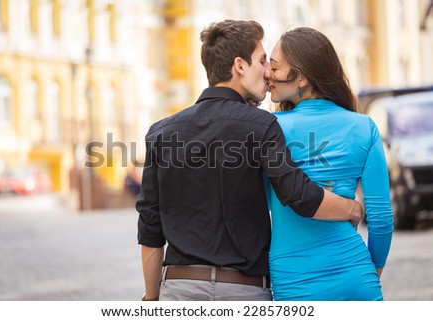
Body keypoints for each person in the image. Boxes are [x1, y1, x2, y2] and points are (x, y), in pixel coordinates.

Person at [137, 20, 363, 302]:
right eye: (262, 60)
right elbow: (299, 195)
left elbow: (150, 226)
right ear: (240, 66)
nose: (268, 71)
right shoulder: (262, 125)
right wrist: (352, 209)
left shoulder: (161, 132)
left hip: (179, 290)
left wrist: (151, 297)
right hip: (243, 291)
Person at [266, 27, 394, 300]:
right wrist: (371, 271)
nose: (267, 74)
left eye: (274, 68)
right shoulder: (364, 127)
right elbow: (381, 219)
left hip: (294, 280)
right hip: (356, 275)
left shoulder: (269, 130)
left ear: (300, 78)